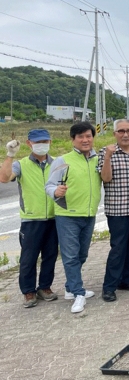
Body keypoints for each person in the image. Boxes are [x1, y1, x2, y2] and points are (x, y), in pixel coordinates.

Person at [45, 122, 102, 313]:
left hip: (89, 214)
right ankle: (78, 293)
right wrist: (57, 191)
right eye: (80, 137)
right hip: (67, 215)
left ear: (93, 137)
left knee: (82, 254)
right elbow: (49, 185)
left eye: (88, 136)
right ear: (73, 140)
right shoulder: (62, 160)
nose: (85, 140)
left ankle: (70, 287)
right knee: (70, 256)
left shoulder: (97, 159)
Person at [0, 129, 58, 308]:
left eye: (45, 141)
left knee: (50, 255)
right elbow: (4, 178)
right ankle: (28, 291)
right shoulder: (21, 164)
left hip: (54, 217)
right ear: (29, 143)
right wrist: (9, 155)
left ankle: (45, 287)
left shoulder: (56, 163)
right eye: (37, 141)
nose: (42, 144)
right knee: (28, 258)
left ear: (50, 142)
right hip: (31, 220)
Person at [97, 119, 129, 302]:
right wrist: (109, 158)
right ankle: (109, 286)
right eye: (121, 131)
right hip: (117, 209)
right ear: (114, 134)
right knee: (118, 248)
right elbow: (106, 178)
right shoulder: (105, 152)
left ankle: (126, 280)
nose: (125, 134)